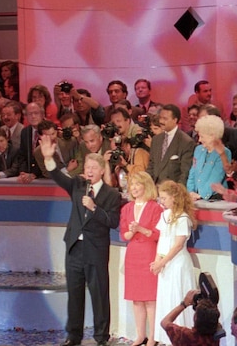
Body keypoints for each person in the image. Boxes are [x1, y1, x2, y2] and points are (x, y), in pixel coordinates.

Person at [41, 138, 121, 346]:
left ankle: (101, 337)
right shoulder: (77, 184)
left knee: (99, 294)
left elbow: (113, 222)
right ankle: (73, 336)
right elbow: (58, 176)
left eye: (94, 167)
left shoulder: (112, 194)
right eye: (87, 167)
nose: (90, 170)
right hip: (75, 247)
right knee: (74, 294)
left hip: (96, 249)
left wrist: (95, 208)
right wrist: (49, 157)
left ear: (102, 170)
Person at [119, 171, 163, 346]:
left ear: (146, 185)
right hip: (133, 254)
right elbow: (124, 234)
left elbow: (158, 234)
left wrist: (140, 229)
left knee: (150, 299)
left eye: (138, 184)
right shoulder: (126, 208)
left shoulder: (155, 208)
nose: (134, 188)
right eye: (132, 184)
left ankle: (153, 337)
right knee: (137, 298)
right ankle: (140, 335)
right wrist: (132, 231)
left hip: (149, 253)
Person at [152, 181, 197, 345]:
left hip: (177, 265)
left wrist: (163, 261)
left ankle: (183, 337)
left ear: (174, 198)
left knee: (177, 295)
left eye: (164, 198)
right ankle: (167, 338)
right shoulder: (165, 215)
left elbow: (177, 245)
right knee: (166, 299)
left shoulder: (183, 218)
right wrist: (157, 261)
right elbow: (162, 240)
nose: (161, 201)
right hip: (165, 264)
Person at [147, 104, 196, 185]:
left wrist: (177, 192)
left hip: (172, 192)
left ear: (175, 120)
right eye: (160, 118)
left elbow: (185, 173)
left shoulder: (186, 142)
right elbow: (151, 166)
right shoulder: (156, 140)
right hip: (154, 190)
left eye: (165, 119)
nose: (161, 121)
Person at [186, 114, 232, 200]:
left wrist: (201, 195)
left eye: (202, 136)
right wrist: (190, 192)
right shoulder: (198, 149)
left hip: (214, 199)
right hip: (194, 198)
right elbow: (192, 173)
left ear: (213, 136)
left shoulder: (224, 152)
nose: (199, 140)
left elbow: (216, 178)